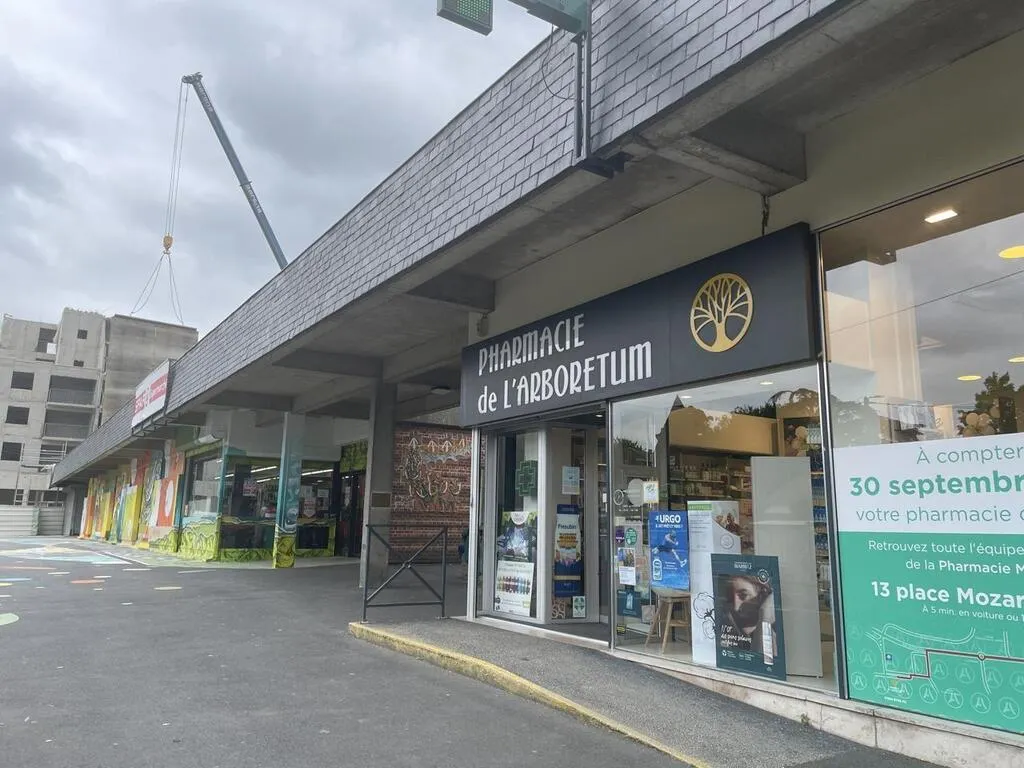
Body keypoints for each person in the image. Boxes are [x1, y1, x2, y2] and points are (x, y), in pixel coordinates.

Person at [718, 572, 777, 661]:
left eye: (743, 595)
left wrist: (764, 620)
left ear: (763, 595)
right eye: (730, 598)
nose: (736, 607)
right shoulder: (728, 637)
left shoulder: (778, 637)